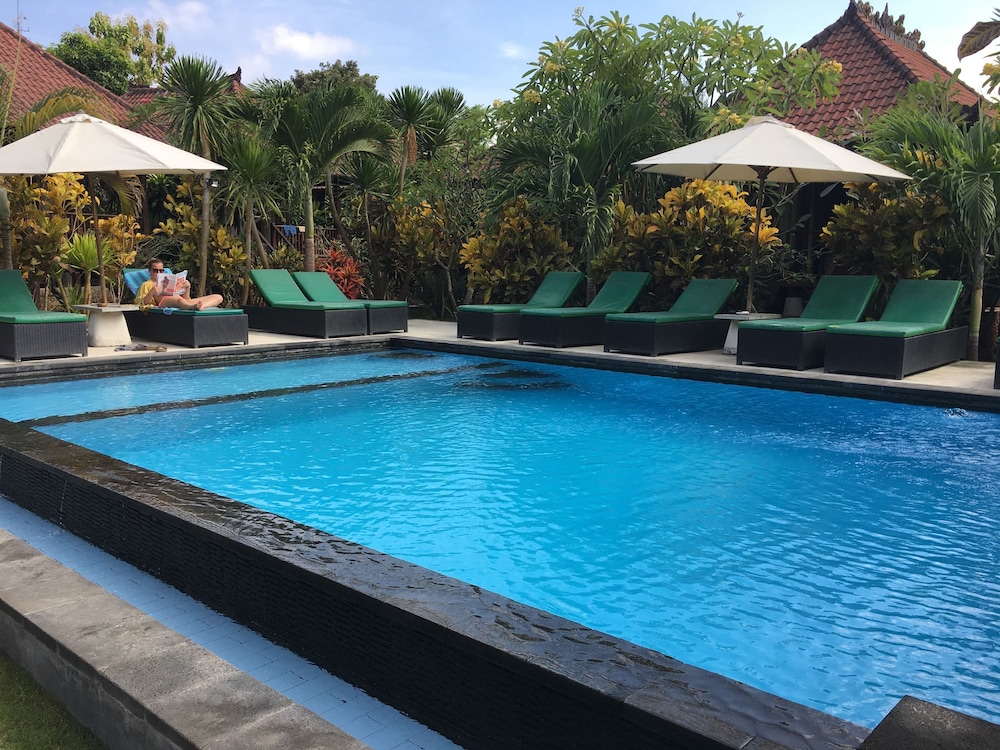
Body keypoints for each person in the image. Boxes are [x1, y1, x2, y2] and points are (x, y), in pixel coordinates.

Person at [135, 258, 223, 311]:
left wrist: (187, 288)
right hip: (164, 301)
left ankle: (201, 306)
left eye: (161, 270)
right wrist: (151, 293)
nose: (158, 273)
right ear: (149, 271)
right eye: (155, 270)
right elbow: (142, 303)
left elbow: (186, 299)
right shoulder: (146, 284)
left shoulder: (169, 279)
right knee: (179, 300)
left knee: (218, 297)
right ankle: (193, 307)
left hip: (183, 301)